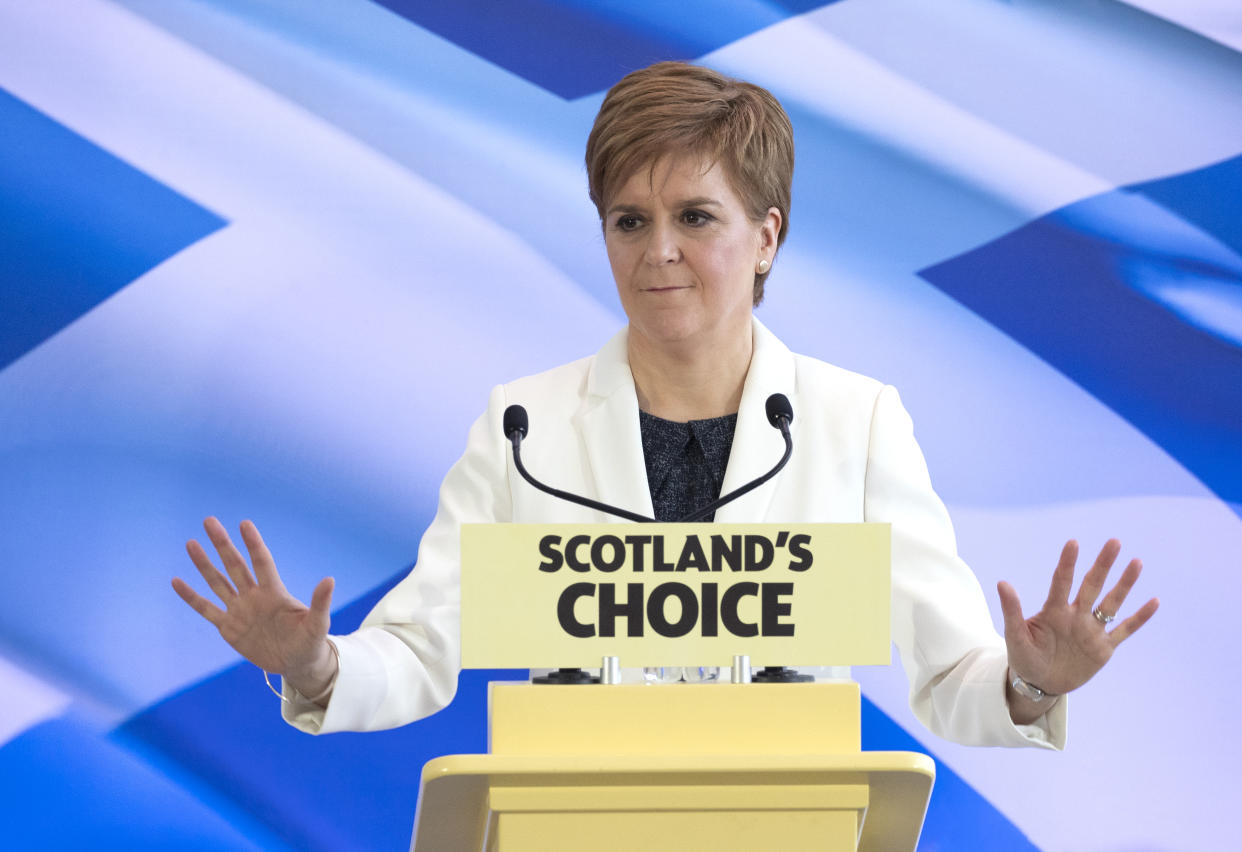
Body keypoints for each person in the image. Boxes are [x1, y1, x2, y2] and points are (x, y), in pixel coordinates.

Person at [173, 62, 1157, 745]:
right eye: (628, 221)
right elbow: (419, 651)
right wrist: (313, 668)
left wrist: (1035, 683)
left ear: (767, 236)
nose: (659, 252)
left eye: (696, 217)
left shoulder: (855, 425)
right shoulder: (524, 430)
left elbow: (951, 681)